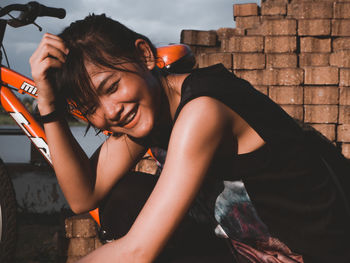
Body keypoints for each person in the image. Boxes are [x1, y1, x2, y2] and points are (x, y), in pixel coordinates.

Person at [29, 14, 350, 263]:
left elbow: (137, 252)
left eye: (111, 87)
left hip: (316, 255)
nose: (110, 111)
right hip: (249, 252)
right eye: (91, 108)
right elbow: (83, 197)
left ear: (144, 56)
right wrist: (49, 106)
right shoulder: (146, 112)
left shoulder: (203, 110)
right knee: (125, 200)